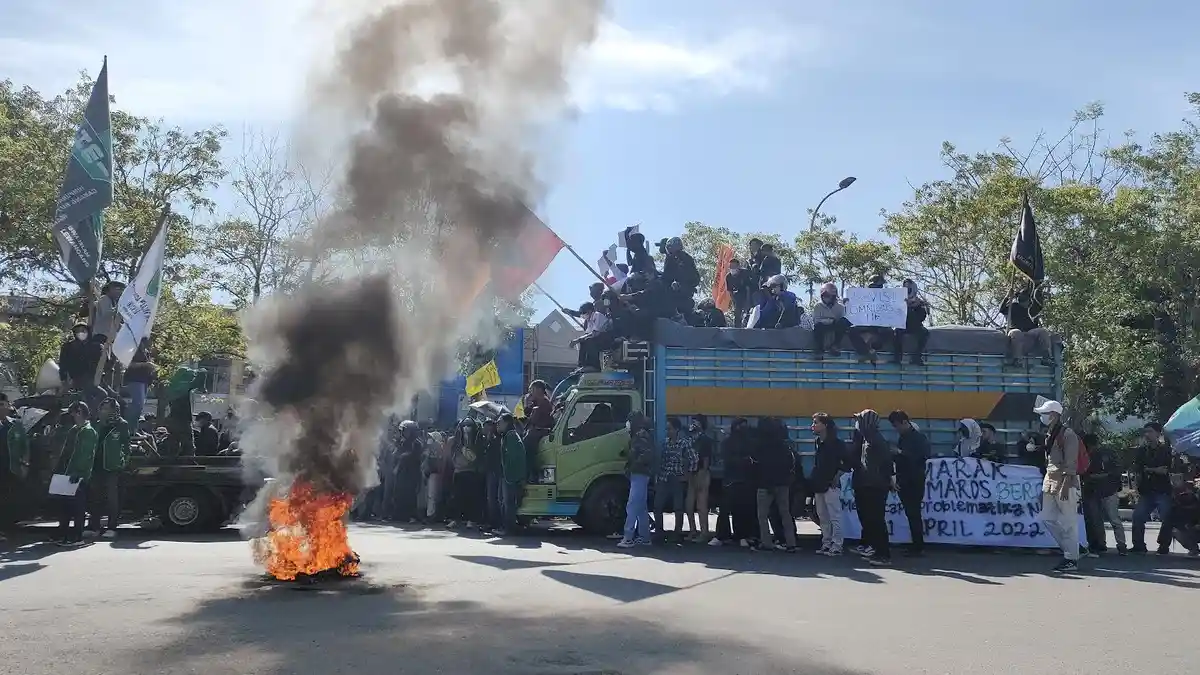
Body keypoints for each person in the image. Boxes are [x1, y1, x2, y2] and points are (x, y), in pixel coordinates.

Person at [1033, 400, 1081, 572]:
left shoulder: (1067, 434)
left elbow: (1071, 463)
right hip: (1050, 480)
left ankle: (1071, 558)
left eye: (1044, 414)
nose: (1042, 417)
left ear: (1053, 415)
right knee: (1047, 518)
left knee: (1068, 522)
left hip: (1064, 482)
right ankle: (1072, 548)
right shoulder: (1051, 434)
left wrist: (1066, 486)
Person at [852, 409, 894, 566]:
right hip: (867, 485)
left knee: (876, 520)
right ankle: (876, 550)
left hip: (874, 486)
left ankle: (884, 555)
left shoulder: (876, 440)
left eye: (860, 420)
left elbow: (885, 464)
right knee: (869, 520)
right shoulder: (867, 438)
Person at [54, 402, 97, 547]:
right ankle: (63, 535)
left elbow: (86, 455)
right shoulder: (74, 430)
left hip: (78, 476)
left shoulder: (88, 431)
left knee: (78, 508)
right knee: (64, 507)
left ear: (79, 412)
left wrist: (78, 472)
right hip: (66, 474)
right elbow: (66, 452)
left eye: (73, 412)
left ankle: (77, 537)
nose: (71, 415)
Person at [85, 398, 129, 539]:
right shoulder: (97, 425)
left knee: (112, 498)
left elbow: (126, 446)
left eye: (106, 408)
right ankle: (94, 526)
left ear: (113, 410)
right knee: (95, 497)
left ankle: (112, 527)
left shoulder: (121, 425)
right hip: (96, 465)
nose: (103, 411)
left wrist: (123, 462)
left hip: (112, 466)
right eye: (102, 408)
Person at [888, 410, 929, 556]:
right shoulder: (904, 437)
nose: (896, 429)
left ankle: (918, 546)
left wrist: (899, 452)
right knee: (911, 514)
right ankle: (916, 544)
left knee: (914, 513)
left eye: (897, 425)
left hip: (914, 481)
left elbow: (920, 457)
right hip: (905, 480)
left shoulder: (918, 438)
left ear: (904, 422)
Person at [1080, 433, 1127, 557]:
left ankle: (1118, 545)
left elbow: (1116, 471)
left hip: (1106, 490)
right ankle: (1107, 545)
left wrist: (1099, 476)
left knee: (1109, 519)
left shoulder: (1106, 454)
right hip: (1097, 491)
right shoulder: (1091, 455)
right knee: (1100, 520)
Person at [1131, 422, 1175, 554]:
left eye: (1150, 431)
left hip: (1163, 490)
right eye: (1145, 432)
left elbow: (1166, 470)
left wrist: (1149, 469)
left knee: (1166, 518)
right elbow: (1138, 469)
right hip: (1146, 490)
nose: (1147, 435)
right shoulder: (1142, 451)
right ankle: (1138, 545)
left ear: (1157, 433)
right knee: (1138, 517)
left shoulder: (1166, 450)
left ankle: (1163, 546)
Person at [810, 413, 846, 556]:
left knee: (834, 516)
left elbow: (847, 462)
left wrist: (838, 476)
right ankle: (826, 542)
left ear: (825, 425)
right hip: (819, 483)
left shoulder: (837, 444)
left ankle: (837, 545)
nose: (813, 425)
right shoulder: (818, 442)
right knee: (822, 516)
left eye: (816, 422)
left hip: (831, 484)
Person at [654, 417, 695, 544]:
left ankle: (677, 533)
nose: (668, 431)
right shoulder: (665, 443)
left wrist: (687, 475)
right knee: (657, 506)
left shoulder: (684, 443)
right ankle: (659, 532)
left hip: (677, 478)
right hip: (664, 477)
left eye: (670, 429)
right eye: (667, 429)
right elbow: (661, 460)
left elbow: (693, 459)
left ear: (677, 429)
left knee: (678, 507)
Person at [618, 412, 655, 548]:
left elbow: (647, 455)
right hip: (639, 474)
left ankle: (628, 537)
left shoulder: (641, 435)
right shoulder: (637, 435)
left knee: (632, 505)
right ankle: (644, 537)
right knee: (641, 507)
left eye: (629, 420)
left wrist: (634, 465)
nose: (627, 423)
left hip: (640, 473)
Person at [1001, 283, 1053, 366]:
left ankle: (1047, 358)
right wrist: (1007, 297)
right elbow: (1002, 309)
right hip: (1014, 330)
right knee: (1017, 333)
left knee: (1043, 331)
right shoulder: (1014, 306)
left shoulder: (1030, 309)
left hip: (1029, 331)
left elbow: (1039, 306)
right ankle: (1018, 359)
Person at [449, 419, 484, 529]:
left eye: (469, 426)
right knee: (456, 497)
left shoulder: (477, 440)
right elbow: (452, 454)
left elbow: (476, 456)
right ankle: (455, 519)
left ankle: (471, 520)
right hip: (459, 471)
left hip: (471, 472)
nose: (466, 428)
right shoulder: (457, 440)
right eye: (464, 426)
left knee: (471, 498)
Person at [89, 281, 125, 388]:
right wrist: (120, 308)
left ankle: (107, 387)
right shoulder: (105, 299)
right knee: (102, 363)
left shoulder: (113, 301)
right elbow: (107, 314)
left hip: (109, 338)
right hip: (101, 336)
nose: (120, 292)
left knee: (109, 365)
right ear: (111, 289)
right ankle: (101, 386)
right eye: (118, 289)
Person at [847, 275, 890, 363]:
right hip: (866, 324)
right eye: (875, 286)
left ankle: (870, 351)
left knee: (888, 332)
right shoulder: (863, 296)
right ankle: (867, 352)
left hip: (879, 325)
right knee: (852, 330)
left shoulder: (886, 298)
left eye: (879, 286)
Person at [685, 416, 713, 542]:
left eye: (695, 421)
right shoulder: (691, 439)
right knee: (689, 505)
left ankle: (704, 532)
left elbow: (706, 458)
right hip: (692, 473)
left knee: (701, 505)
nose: (693, 424)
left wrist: (703, 473)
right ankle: (693, 530)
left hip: (702, 472)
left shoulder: (705, 440)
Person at [497, 413, 526, 535]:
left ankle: (508, 529)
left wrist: (510, 474)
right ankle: (505, 527)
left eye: (500, 422)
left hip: (510, 476)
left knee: (508, 503)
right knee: (503, 501)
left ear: (507, 423)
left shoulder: (512, 436)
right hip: (506, 475)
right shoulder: (507, 436)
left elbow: (516, 457)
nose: (497, 424)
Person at [521, 380, 553, 481]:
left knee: (526, 444)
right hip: (535, 430)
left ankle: (529, 475)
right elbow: (527, 413)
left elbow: (533, 420)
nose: (530, 393)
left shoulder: (544, 402)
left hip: (540, 431)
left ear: (539, 390)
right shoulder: (536, 402)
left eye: (532, 390)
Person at [893, 279, 931, 365]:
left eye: (909, 287)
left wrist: (918, 306)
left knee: (925, 333)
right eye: (905, 287)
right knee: (896, 335)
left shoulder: (919, 302)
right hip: (903, 325)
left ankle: (916, 357)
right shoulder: (898, 301)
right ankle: (897, 358)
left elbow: (922, 317)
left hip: (915, 326)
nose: (907, 289)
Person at [393, 420, 425, 524]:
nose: (404, 433)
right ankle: (400, 515)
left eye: (406, 431)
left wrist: (403, 456)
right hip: (401, 471)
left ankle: (412, 515)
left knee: (410, 494)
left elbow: (415, 456)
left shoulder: (417, 443)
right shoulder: (401, 442)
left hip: (412, 472)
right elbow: (396, 454)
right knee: (400, 493)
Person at [661, 236, 701, 315]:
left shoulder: (681, 258)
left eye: (669, 247)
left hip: (681, 292)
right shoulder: (676, 258)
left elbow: (671, 275)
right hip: (682, 291)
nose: (668, 249)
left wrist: (680, 284)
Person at [123, 339, 155, 428]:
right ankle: (128, 427)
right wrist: (145, 365)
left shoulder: (146, 352)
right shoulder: (133, 351)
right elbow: (127, 364)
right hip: (135, 380)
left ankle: (134, 428)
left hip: (144, 381)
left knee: (140, 406)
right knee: (137, 404)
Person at [811, 283, 849, 357]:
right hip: (823, 326)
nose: (826, 298)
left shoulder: (840, 307)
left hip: (835, 326)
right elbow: (816, 321)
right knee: (818, 327)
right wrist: (829, 320)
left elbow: (843, 318)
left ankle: (835, 346)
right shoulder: (818, 306)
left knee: (844, 322)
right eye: (824, 296)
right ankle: (819, 350)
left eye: (828, 296)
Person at [481, 418, 505, 532]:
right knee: (491, 498)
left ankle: (495, 523)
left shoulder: (497, 440)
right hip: (489, 471)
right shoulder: (487, 440)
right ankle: (492, 522)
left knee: (493, 499)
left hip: (495, 472)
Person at [724, 258, 753, 328]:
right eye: (730, 267)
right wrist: (734, 302)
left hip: (749, 293)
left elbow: (748, 288)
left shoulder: (745, 273)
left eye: (734, 267)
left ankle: (749, 326)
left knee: (749, 311)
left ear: (738, 267)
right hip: (738, 294)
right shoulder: (728, 277)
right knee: (737, 312)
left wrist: (748, 302)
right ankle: (737, 328)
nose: (732, 269)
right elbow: (730, 291)